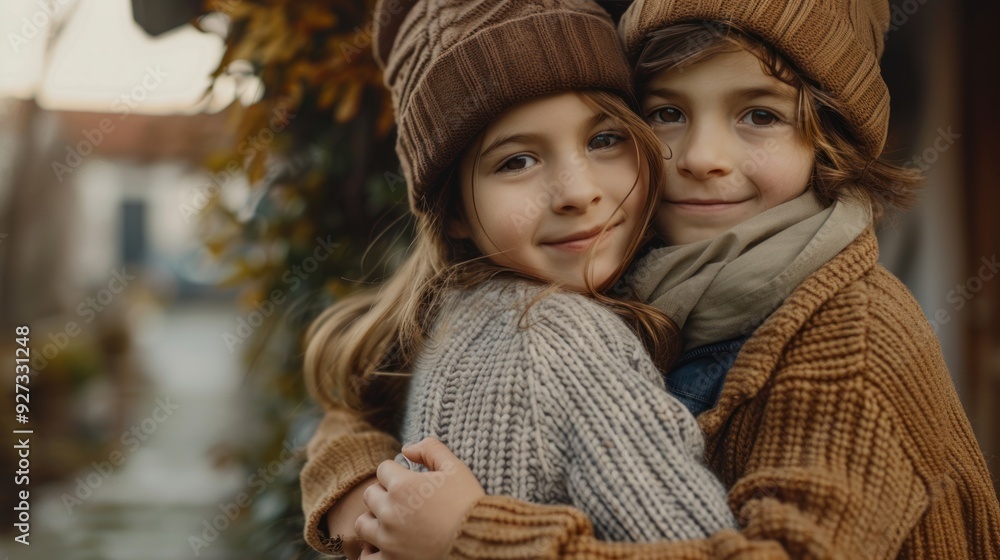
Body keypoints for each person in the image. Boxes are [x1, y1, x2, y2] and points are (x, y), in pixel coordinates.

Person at [301, 0, 1000, 558]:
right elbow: (364, 396)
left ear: (830, 141)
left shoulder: (855, 335)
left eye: (759, 115)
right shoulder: (621, 255)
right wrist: (365, 491)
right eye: (666, 114)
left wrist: (472, 534)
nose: (700, 156)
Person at [300, 0, 741, 557]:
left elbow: (345, 422)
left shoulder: (453, 311)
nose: (578, 192)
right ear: (454, 210)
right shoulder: (558, 338)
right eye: (516, 161)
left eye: (604, 139)